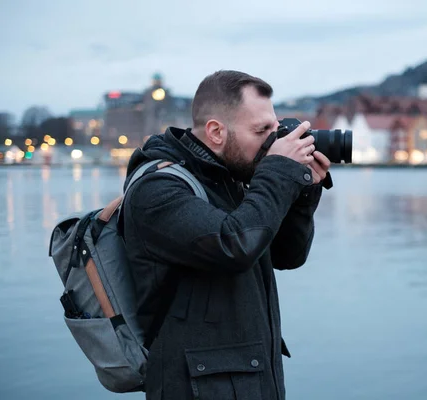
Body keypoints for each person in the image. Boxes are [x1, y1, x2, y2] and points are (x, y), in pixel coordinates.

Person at [120, 70, 332, 400]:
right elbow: (234, 245)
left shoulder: (231, 179)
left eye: (274, 130)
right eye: (261, 131)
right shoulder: (158, 189)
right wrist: (277, 171)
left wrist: (303, 191)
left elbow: (287, 256)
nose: (272, 142)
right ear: (216, 132)